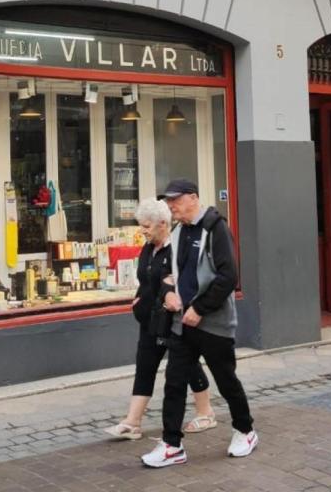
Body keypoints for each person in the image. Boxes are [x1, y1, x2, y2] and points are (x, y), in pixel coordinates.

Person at [141, 178, 257, 468]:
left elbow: (228, 276)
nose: (171, 206)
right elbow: (168, 273)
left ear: (193, 198)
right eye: (168, 202)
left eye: (175, 200)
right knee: (175, 382)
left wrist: (200, 309)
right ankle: (171, 445)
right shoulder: (179, 232)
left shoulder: (216, 229)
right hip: (183, 324)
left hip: (213, 324)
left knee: (226, 381)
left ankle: (245, 430)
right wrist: (169, 294)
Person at [105, 198, 218, 440]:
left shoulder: (177, 249)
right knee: (145, 365)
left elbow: (181, 281)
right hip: (149, 319)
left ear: (163, 224)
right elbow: (146, 279)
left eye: (146, 226)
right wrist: (138, 299)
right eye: (141, 225)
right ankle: (132, 422)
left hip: (172, 319)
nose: (142, 230)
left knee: (188, 365)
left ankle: (206, 412)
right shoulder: (148, 247)